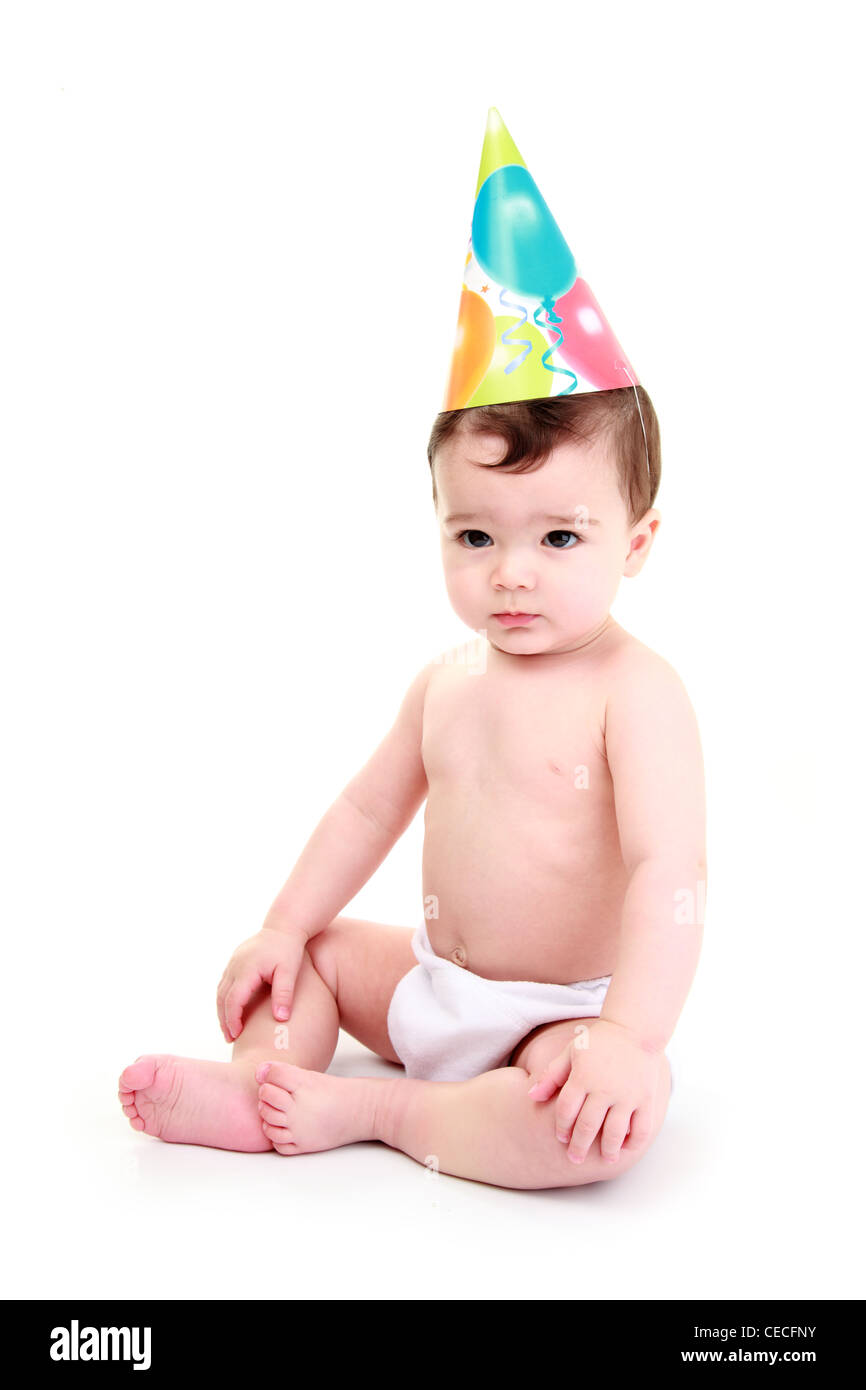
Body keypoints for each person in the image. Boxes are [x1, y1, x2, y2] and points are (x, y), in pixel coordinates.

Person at [118, 111, 706, 1190]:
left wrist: (627, 1033)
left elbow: (667, 870)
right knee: (319, 962)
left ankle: (386, 1109)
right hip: (434, 981)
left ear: (636, 542)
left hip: (554, 1017)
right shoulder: (444, 681)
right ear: (437, 520)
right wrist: (282, 927)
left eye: (558, 536)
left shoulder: (636, 692)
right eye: (474, 535)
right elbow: (364, 809)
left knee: (594, 1125)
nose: (510, 571)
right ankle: (255, 1086)